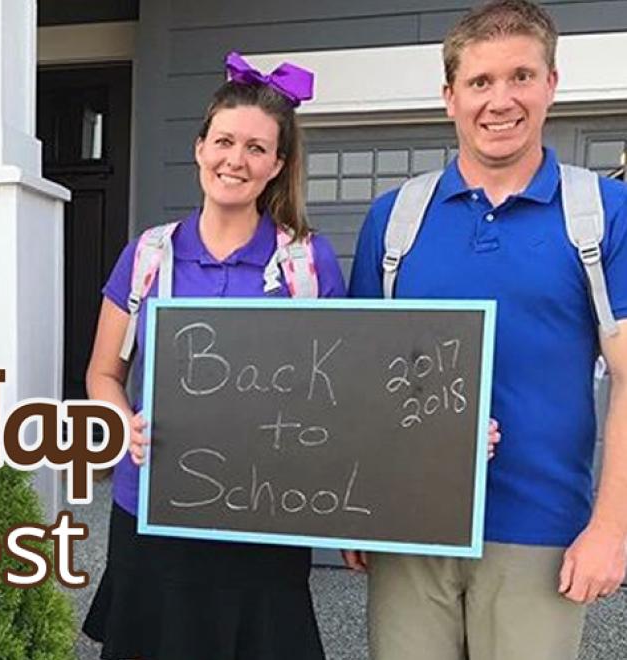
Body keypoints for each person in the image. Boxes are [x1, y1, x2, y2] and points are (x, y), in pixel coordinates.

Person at [346, 2, 627, 658]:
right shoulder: (395, 219)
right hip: (410, 527)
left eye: (520, 76)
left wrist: (611, 526)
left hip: (540, 532)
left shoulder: (602, 213)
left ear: (551, 83)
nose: (500, 101)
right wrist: (357, 506)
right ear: (450, 96)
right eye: (480, 82)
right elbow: (360, 372)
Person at [81, 53, 345, 659]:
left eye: (256, 148)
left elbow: (341, 388)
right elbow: (103, 372)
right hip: (153, 509)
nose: (236, 159)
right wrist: (123, 425)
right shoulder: (148, 256)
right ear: (200, 148)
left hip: (266, 515)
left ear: (278, 164)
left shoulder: (307, 265)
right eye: (224, 141)